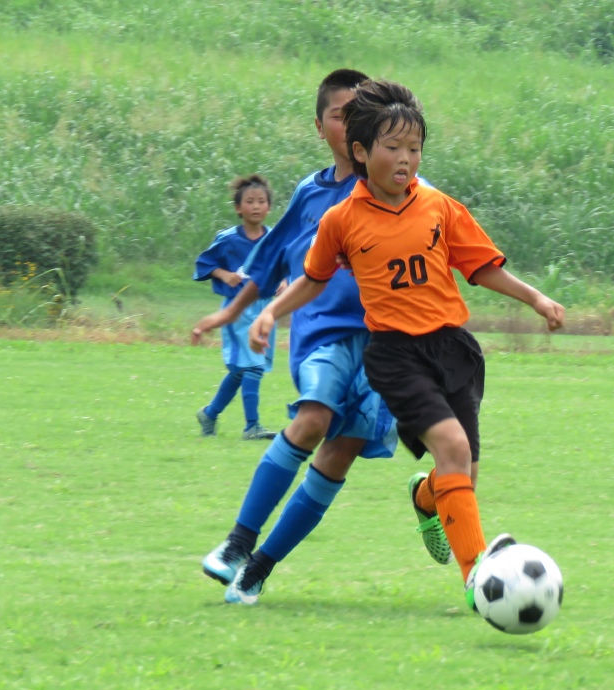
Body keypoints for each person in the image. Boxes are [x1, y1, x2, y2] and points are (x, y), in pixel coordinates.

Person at [248, 79, 565, 606]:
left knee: (462, 474)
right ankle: (478, 580)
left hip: (453, 350)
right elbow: (313, 279)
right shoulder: (341, 220)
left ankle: (426, 495)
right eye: (392, 147)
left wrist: (536, 298)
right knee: (454, 449)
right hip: (396, 356)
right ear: (360, 151)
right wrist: (271, 312)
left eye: (414, 148)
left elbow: (480, 266)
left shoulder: (438, 206)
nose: (405, 159)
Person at [190, 69, 440, 606]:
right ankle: (237, 543)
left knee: (341, 451)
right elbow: (269, 263)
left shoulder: (406, 193)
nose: (352, 123)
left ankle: (258, 569)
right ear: (322, 127)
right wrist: (235, 313)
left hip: (386, 345)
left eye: (363, 114)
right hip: (323, 335)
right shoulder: (312, 194)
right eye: (341, 114)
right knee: (314, 419)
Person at [192, 174, 277, 440]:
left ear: (269, 207)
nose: (256, 206)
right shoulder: (228, 239)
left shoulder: (274, 238)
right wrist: (223, 274)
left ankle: (210, 413)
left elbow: (283, 264)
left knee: (243, 370)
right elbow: (204, 263)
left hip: (264, 309)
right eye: (249, 201)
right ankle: (252, 426)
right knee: (252, 366)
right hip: (237, 311)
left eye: (261, 201)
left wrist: (284, 282)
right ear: (238, 208)